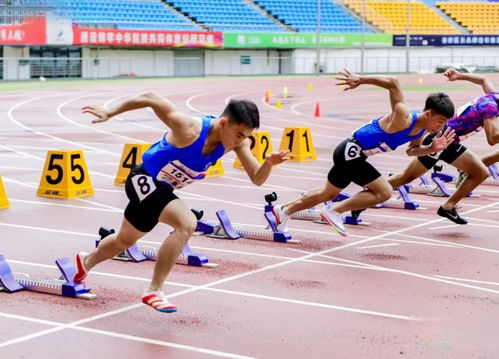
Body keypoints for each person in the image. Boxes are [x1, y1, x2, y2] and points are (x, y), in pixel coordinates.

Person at [73, 93, 290, 313]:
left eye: (245, 137)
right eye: (238, 135)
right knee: (186, 223)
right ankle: (154, 290)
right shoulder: (189, 129)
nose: (240, 141)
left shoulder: (236, 145)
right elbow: (151, 98)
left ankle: (85, 263)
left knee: (124, 240)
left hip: (162, 189)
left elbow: (257, 178)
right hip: (143, 179)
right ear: (223, 123)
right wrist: (111, 111)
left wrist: (269, 164)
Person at [272, 69, 455, 236]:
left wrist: (430, 149)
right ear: (429, 114)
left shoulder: (421, 130)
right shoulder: (404, 118)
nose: (442, 126)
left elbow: (411, 151)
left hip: (352, 154)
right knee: (384, 192)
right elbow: (394, 82)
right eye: (441, 121)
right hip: (351, 151)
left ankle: (284, 211)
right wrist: (361, 79)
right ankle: (333, 211)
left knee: (326, 194)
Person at [388, 68, 498, 224]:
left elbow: (483, 79)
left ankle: (448, 207)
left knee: (480, 172)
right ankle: (372, 193)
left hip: (450, 140)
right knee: (406, 177)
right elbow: (492, 139)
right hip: (441, 138)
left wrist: (460, 75)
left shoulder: (493, 97)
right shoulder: (491, 108)